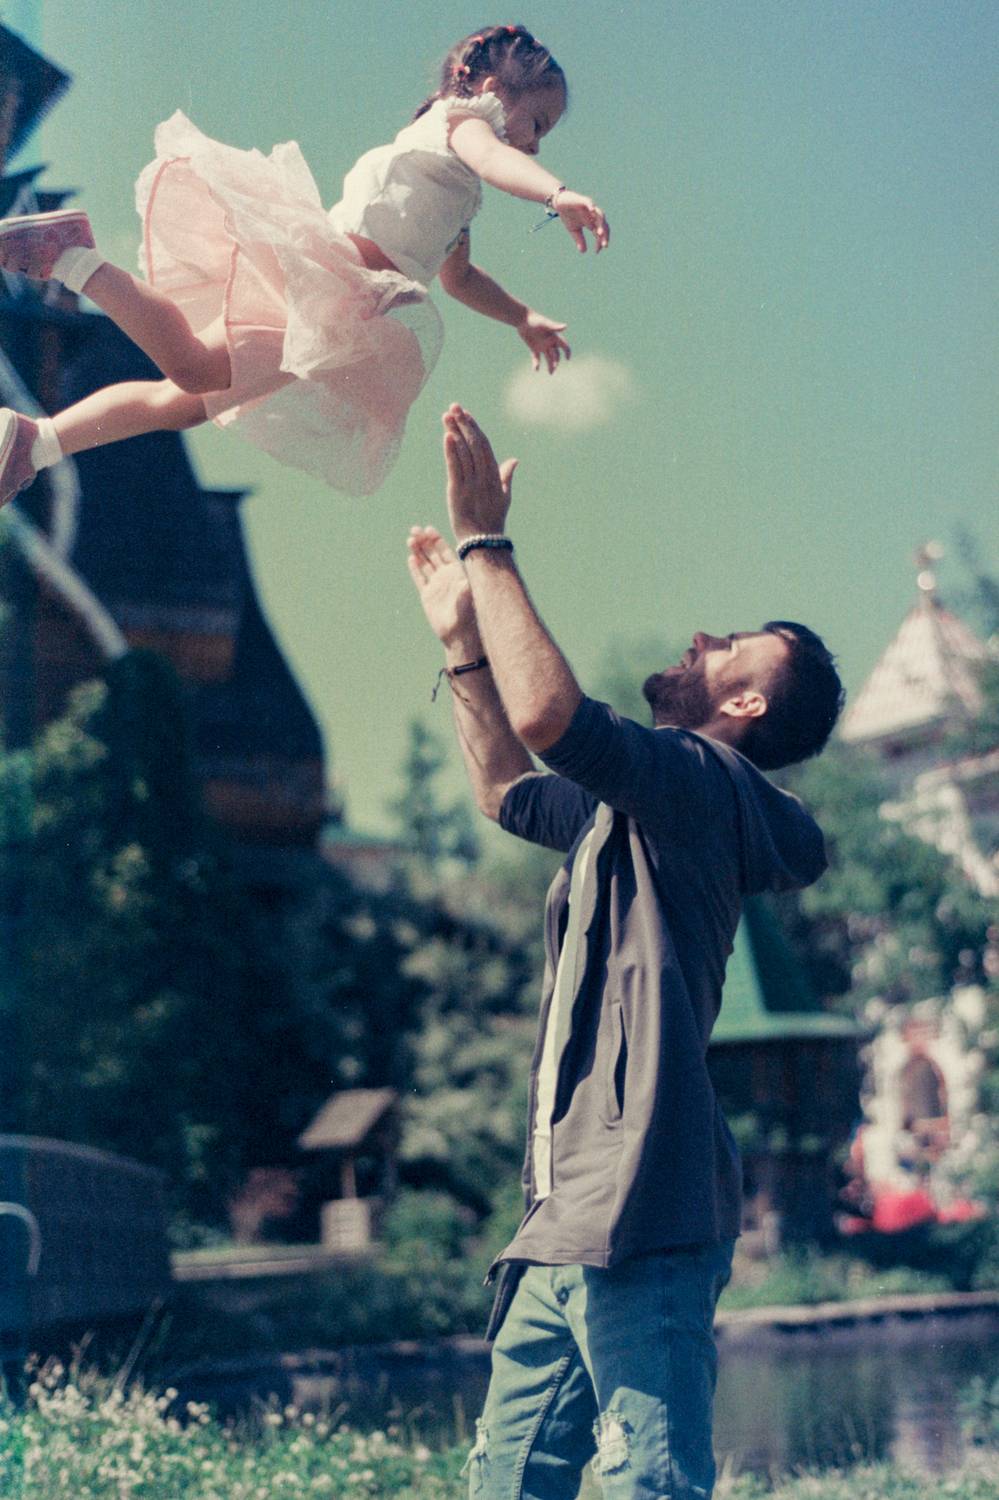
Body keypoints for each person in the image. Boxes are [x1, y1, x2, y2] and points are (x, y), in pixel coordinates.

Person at [407, 405, 845, 1500]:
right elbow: (507, 789)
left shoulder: (700, 782)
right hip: (561, 1217)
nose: (699, 638)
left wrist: (486, 543)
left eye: (725, 647)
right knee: (508, 1485)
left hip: (644, 1204)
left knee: (652, 1485)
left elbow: (552, 721)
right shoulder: (638, 810)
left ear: (744, 701)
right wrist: (461, 644)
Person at [0, 24, 608, 505]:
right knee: (193, 368)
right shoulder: (463, 125)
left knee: (179, 404)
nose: (535, 143)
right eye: (536, 124)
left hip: (339, 315)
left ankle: (38, 442)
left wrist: (522, 317)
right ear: (492, 89)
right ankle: (72, 256)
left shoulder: (456, 196)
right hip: (322, 284)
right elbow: (499, 162)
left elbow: (461, 279)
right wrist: (556, 194)